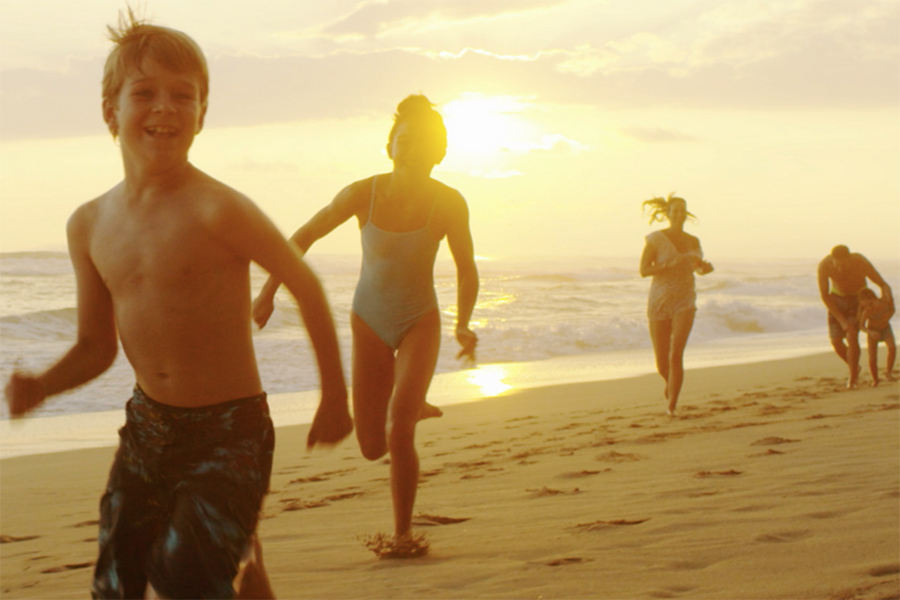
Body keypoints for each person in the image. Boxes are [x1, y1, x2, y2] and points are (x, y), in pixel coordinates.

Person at [4, 12, 352, 599]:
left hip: (230, 431)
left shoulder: (219, 209)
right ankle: (242, 555)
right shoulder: (88, 224)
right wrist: (44, 385)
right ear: (110, 111)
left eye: (182, 96)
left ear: (201, 115)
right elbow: (95, 346)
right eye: (144, 93)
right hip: (148, 430)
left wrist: (336, 398)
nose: (164, 107)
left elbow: (305, 284)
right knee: (117, 582)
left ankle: (234, 548)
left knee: (185, 574)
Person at [252, 94, 479, 556]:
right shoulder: (362, 193)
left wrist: (463, 324)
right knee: (373, 446)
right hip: (369, 321)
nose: (415, 149)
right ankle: (411, 403)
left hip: (420, 320)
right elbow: (303, 236)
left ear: (440, 153)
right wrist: (268, 291)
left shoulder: (450, 202)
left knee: (398, 431)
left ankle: (402, 535)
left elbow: (467, 267)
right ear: (390, 146)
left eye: (426, 143)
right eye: (406, 140)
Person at [639, 194, 714, 416]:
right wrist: (666, 265)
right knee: (662, 363)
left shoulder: (693, 241)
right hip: (659, 301)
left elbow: (697, 269)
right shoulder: (656, 239)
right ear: (668, 214)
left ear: (686, 213)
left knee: (675, 355)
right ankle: (670, 385)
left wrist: (705, 269)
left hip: (685, 300)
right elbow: (644, 270)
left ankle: (672, 406)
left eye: (683, 210)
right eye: (675, 211)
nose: (679, 214)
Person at [817, 245, 894, 388]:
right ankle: (855, 366)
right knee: (836, 341)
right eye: (837, 265)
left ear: (850, 258)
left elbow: (882, 283)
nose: (841, 268)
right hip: (836, 300)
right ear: (832, 260)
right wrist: (841, 320)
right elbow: (824, 295)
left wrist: (886, 304)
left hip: (857, 299)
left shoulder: (860, 262)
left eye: (844, 264)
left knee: (852, 334)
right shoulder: (824, 266)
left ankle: (852, 379)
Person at [857, 288, 896, 386]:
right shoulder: (866, 311)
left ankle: (889, 373)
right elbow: (861, 326)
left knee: (892, 348)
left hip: (885, 328)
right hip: (873, 331)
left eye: (866, 303)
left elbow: (892, 309)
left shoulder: (883, 303)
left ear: (871, 299)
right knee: (872, 357)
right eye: (863, 304)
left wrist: (888, 316)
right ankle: (875, 379)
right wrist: (870, 332)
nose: (866, 306)